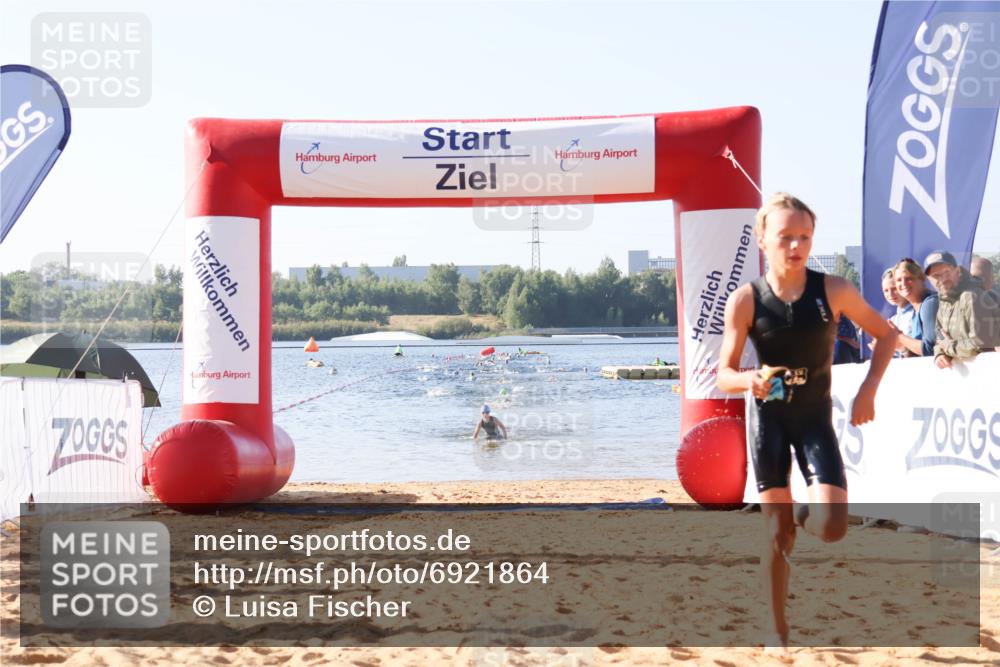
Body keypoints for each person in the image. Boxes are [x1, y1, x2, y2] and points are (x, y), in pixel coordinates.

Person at [716, 193, 896, 648]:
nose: (796, 247)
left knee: (833, 527)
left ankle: (800, 513)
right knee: (776, 533)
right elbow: (723, 374)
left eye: (805, 238)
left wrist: (868, 389)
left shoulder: (833, 290)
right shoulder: (746, 300)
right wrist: (750, 380)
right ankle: (776, 629)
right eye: (786, 237)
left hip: (814, 419)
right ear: (762, 238)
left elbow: (886, 334)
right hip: (769, 421)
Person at [924, 251, 1000, 368]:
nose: (943, 279)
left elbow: (980, 344)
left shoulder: (972, 296)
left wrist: (948, 347)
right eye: (936, 276)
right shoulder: (944, 301)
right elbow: (940, 339)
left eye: (946, 272)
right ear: (929, 280)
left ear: (958, 272)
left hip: (988, 373)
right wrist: (939, 353)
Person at [893, 258, 937, 357]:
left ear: (921, 279)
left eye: (909, 279)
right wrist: (901, 347)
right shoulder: (916, 309)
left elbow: (930, 349)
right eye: (899, 280)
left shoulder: (930, 304)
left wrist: (899, 336)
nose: (903, 283)